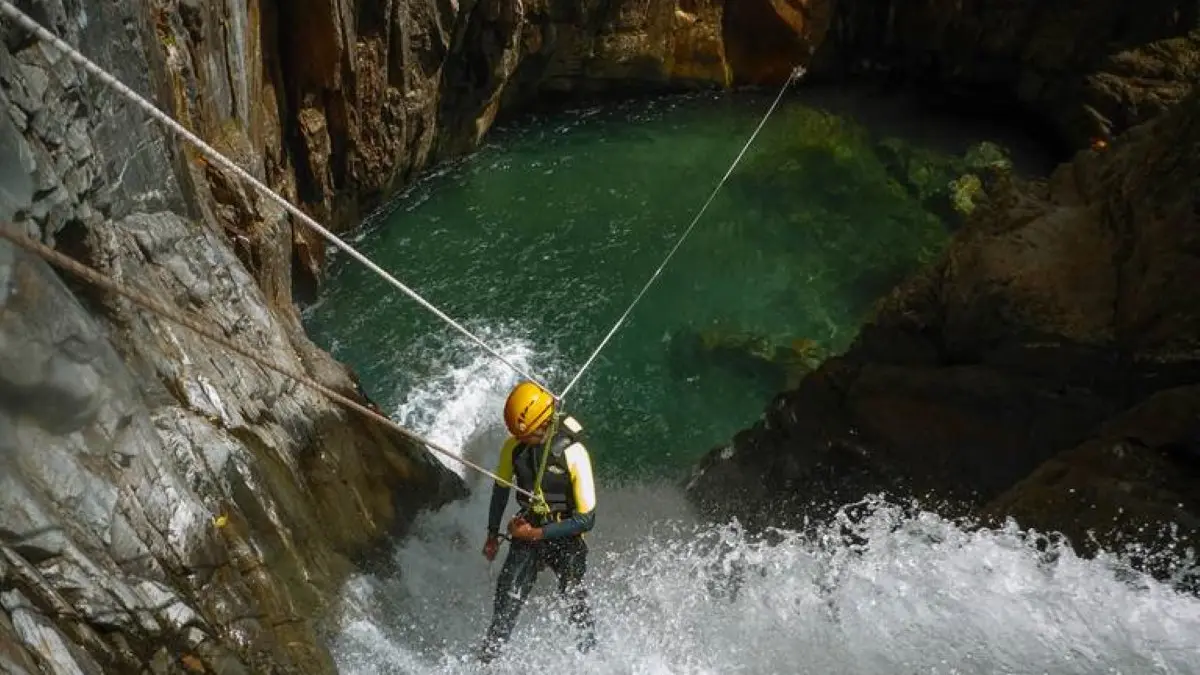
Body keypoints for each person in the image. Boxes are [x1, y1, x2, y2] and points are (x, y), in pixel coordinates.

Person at [477, 380, 598, 663]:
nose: (520, 439)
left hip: (565, 533)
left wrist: (538, 533)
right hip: (528, 529)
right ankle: (488, 660)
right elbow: (501, 491)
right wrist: (492, 534)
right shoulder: (514, 448)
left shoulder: (573, 453)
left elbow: (586, 519)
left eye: (526, 434)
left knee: (573, 595)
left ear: (542, 425)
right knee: (507, 596)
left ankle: (591, 656)